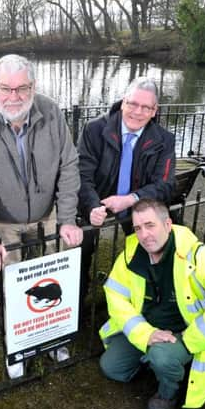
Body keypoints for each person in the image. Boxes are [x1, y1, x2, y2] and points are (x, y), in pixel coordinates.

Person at [0, 54, 83, 378]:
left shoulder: (51, 111)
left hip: (47, 215)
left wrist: (67, 218)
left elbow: (69, 166)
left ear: (33, 86)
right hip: (2, 219)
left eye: (21, 89)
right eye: (5, 89)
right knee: (11, 285)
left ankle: (54, 334)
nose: (13, 97)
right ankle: (19, 345)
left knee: (59, 275)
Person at [98, 199, 205, 409]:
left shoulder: (199, 256)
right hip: (149, 329)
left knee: (162, 356)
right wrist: (145, 334)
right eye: (138, 228)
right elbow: (116, 297)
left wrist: (189, 341)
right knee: (111, 368)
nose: (144, 235)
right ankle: (162, 361)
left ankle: (168, 392)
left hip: (185, 333)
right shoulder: (130, 256)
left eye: (150, 225)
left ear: (168, 224)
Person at [77, 76, 176, 301]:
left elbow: (166, 184)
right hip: (96, 201)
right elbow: (82, 175)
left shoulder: (164, 140)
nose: (137, 112)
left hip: (137, 204)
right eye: (132, 104)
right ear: (123, 102)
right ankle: (77, 297)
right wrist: (92, 206)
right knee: (79, 248)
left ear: (154, 111)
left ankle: (146, 293)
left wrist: (131, 199)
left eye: (145, 107)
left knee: (156, 240)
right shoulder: (94, 129)